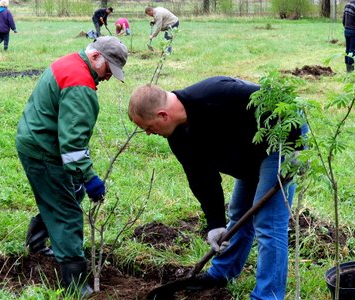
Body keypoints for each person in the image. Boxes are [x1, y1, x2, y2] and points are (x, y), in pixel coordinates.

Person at [128, 77, 306, 299]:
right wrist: (215, 224)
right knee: (238, 213)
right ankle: (222, 272)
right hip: (249, 156)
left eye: (148, 127)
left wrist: (296, 147)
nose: (148, 133)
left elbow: (282, 102)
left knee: (268, 221)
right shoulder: (178, 136)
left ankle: (267, 295)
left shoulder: (216, 94)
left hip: (280, 143)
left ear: (163, 115)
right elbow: (201, 178)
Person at [16, 36, 127, 298]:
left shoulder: (71, 62)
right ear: (96, 57)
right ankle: (75, 283)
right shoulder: (80, 84)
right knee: (67, 212)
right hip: (44, 150)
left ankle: (36, 240)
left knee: (67, 194)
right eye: (108, 69)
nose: (108, 77)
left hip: (37, 140)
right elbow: (73, 148)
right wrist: (90, 179)